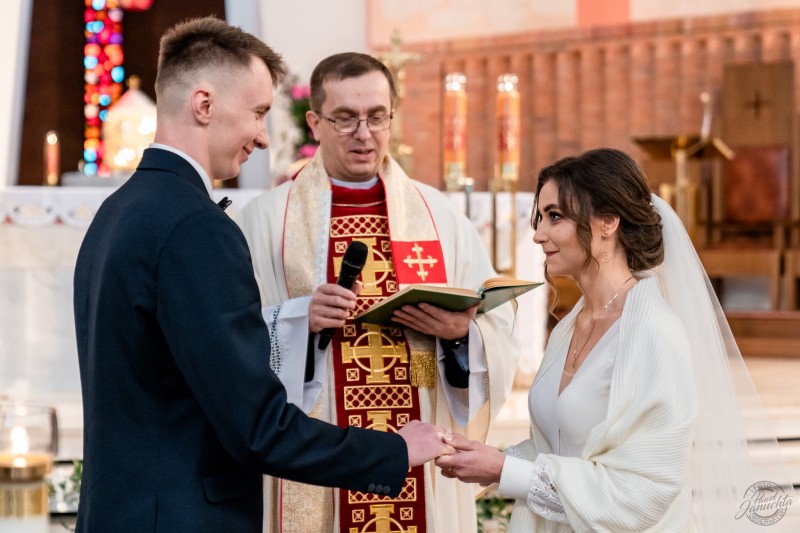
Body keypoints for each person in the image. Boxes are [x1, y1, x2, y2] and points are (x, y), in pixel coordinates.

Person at [72, 18, 452, 532]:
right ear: (203, 104)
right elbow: (256, 427)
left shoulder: (117, 211)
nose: (263, 137)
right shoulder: (195, 227)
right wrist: (392, 450)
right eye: (257, 113)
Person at [435, 148, 798, 531]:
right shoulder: (567, 328)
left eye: (555, 217)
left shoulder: (654, 333)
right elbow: (555, 449)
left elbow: (645, 490)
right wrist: (488, 458)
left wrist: (505, 470)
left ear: (608, 222)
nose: (538, 235)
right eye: (540, 218)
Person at [236, 52, 520, 533]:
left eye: (377, 117)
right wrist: (299, 319)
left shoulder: (439, 217)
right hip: (318, 452)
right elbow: (229, 336)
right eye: (345, 118)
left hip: (422, 454)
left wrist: (460, 335)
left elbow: (497, 324)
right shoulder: (266, 222)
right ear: (315, 123)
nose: (364, 133)